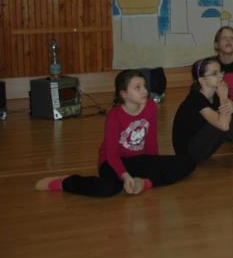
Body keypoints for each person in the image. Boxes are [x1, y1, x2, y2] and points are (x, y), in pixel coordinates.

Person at [35, 70, 195, 197]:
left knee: (187, 162)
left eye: (145, 86)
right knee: (107, 189)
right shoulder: (114, 115)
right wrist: (125, 176)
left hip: (138, 160)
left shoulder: (150, 107)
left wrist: (154, 165)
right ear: (123, 94)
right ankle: (66, 182)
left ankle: (144, 183)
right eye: (138, 87)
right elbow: (111, 154)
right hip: (112, 162)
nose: (145, 91)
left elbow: (151, 140)